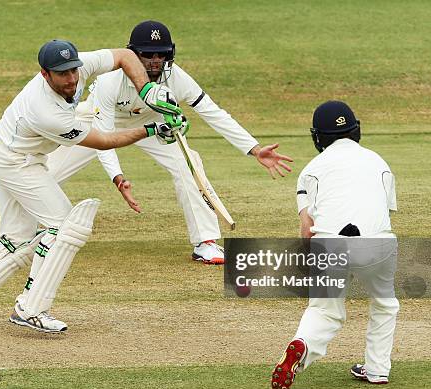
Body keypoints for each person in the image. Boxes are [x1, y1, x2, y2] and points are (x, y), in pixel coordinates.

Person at [0, 39, 185, 335]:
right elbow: (103, 141)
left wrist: (147, 91)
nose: (72, 79)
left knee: (16, 238)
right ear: (45, 74)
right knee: (65, 226)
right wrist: (153, 129)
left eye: (73, 71)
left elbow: (126, 56)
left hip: (15, 153)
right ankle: (31, 307)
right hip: (15, 161)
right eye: (62, 74)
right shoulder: (45, 112)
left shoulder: (81, 66)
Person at [46, 21, 293, 265]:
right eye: (147, 54)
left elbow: (212, 112)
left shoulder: (176, 76)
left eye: (161, 54)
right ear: (132, 54)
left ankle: (205, 242)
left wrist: (254, 149)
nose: (155, 61)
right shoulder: (111, 80)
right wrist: (118, 177)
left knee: (189, 164)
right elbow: (104, 134)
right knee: (47, 173)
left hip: (154, 125)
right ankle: (37, 231)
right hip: (96, 121)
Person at [270, 101, 399, 389]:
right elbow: (385, 210)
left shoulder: (311, 169)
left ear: (318, 137)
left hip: (329, 243)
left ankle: (301, 344)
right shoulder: (379, 161)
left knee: (325, 310)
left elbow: (307, 229)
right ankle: (377, 370)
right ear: (356, 131)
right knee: (385, 303)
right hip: (377, 244)